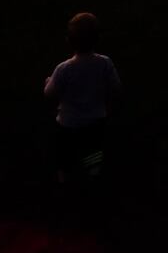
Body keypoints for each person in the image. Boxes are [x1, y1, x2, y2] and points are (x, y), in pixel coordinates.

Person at [44, 12, 121, 188]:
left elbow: (49, 93)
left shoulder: (63, 69)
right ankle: (94, 177)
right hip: (96, 121)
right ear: (97, 39)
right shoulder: (105, 63)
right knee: (93, 151)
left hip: (68, 124)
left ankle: (64, 182)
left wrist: (48, 82)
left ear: (69, 41)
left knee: (64, 155)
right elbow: (116, 87)